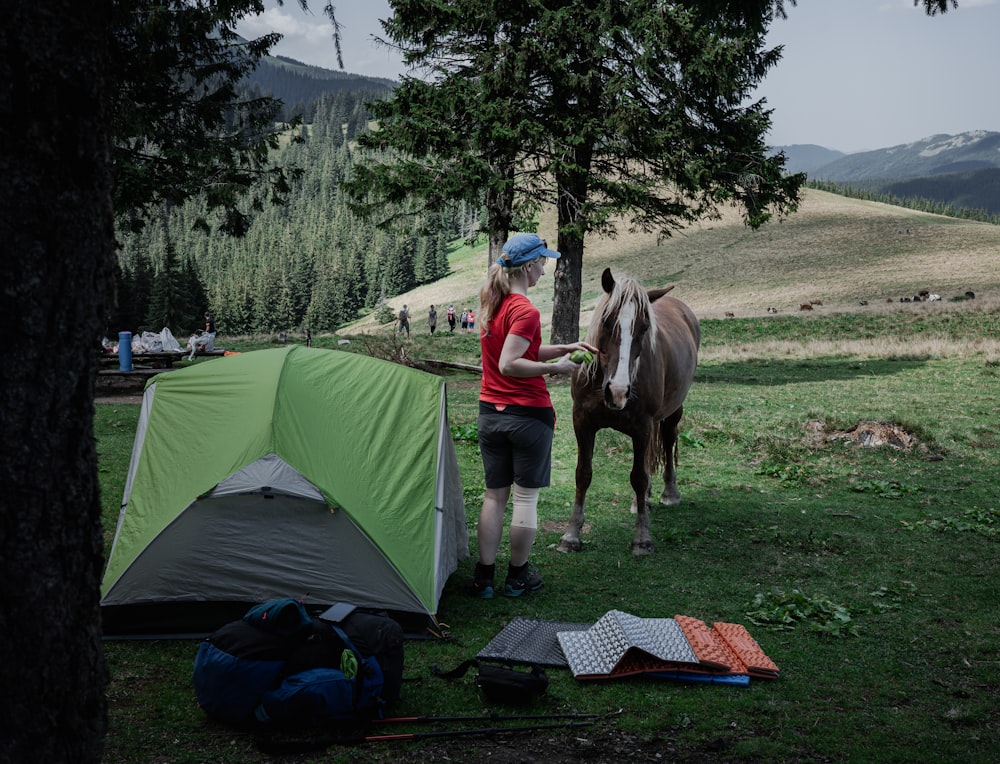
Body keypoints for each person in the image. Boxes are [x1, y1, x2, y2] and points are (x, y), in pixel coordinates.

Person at [472, 232, 597, 599]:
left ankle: (483, 579)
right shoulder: (525, 310)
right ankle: (517, 576)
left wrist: (565, 347)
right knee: (525, 500)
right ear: (528, 266)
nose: (545, 270)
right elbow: (511, 362)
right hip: (527, 417)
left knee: (494, 497)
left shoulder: (493, 303)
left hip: (490, 415)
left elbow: (521, 348)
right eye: (543, 263)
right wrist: (557, 369)